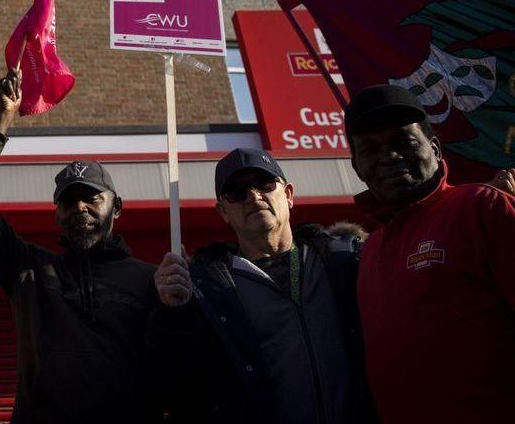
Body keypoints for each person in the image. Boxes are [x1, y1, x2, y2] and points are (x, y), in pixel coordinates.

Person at [0, 68, 158, 423]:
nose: (80, 207)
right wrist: (2, 119)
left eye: (91, 197)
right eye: (68, 200)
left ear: (117, 208)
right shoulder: (30, 270)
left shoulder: (152, 280)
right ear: (57, 213)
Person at [148, 148, 374, 424]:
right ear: (223, 211)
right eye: (237, 192)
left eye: (265, 184)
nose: (254, 196)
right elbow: (173, 386)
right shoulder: (205, 292)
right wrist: (173, 315)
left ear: (289, 194)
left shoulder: (345, 261)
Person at [345, 84, 515, 424]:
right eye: (370, 149)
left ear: (435, 148)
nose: (388, 156)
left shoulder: (483, 208)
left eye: (403, 142)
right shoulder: (369, 251)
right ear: (357, 166)